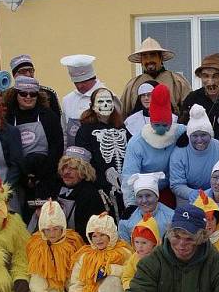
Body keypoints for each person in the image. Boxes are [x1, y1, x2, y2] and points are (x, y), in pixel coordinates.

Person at [4, 75, 65, 214]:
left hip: (46, 176)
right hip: (17, 177)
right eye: (23, 94)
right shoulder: (8, 117)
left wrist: (42, 173)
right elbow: (5, 148)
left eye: (33, 94)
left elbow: (57, 147)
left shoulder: (48, 116)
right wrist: (23, 173)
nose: (28, 97)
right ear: (15, 94)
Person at [121, 83, 185, 210]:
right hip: (144, 191)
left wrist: (189, 135)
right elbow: (129, 175)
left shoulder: (178, 132)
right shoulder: (137, 142)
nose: (161, 130)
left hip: (169, 189)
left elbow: (198, 132)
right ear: (151, 123)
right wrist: (130, 205)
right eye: (157, 125)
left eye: (165, 125)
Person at [74, 86, 130, 219]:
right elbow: (84, 163)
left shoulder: (122, 128)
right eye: (100, 102)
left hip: (125, 187)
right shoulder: (85, 131)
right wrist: (97, 185)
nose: (105, 105)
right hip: (100, 189)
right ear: (92, 106)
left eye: (108, 101)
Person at [67, 212, 133, 292]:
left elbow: (131, 272)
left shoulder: (122, 252)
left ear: (110, 235)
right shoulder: (85, 256)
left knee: (112, 281)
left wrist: (110, 269)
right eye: (94, 236)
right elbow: (77, 283)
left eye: (102, 235)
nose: (98, 239)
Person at [26, 200, 85, 292]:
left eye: (55, 229)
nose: (52, 233)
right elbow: (37, 281)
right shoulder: (37, 247)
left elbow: (75, 274)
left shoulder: (72, 242)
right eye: (47, 230)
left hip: (71, 284)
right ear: (42, 229)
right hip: (50, 285)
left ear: (62, 228)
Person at [169, 105, 219, 207]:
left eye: (203, 135)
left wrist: (211, 193)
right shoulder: (179, 153)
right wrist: (192, 193)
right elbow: (176, 184)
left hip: (217, 193)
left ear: (210, 135)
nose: (199, 140)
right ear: (189, 136)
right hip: (188, 196)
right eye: (195, 136)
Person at [122, 37, 191, 117]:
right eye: (145, 57)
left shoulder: (177, 81)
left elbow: (189, 109)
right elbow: (123, 113)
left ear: (161, 58)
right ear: (141, 61)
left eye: (152, 55)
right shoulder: (132, 85)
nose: (148, 61)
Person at [53, 146, 110, 241]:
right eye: (64, 167)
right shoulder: (55, 188)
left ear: (84, 172)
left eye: (73, 168)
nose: (66, 172)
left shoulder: (91, 195)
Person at [179, 53, 219, 138]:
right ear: (200, 77)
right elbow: (182, 129)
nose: (210, 82)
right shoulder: (192, 99)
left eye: (216, 76)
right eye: (206, 76)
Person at [60, 54, 105, 146]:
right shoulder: (67, 100)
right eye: (76, 82)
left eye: (84, 82)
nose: (80, 86)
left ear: (92, 78)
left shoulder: (107, 97)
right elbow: (64, 131)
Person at [119, 172, 174, 242]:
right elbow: (126, 249)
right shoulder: (126, 221)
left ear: (157, 197)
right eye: (140, 196)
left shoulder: (171, 217)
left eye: (148, 196)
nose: (144, 201)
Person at [121, 213, 161, 290]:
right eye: (136, 242)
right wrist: (131, 287)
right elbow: (126, 278)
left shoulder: (159, 258)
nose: (140, 246)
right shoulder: (134, 258)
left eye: (144, 243)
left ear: (154, 243)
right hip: (137, 291)